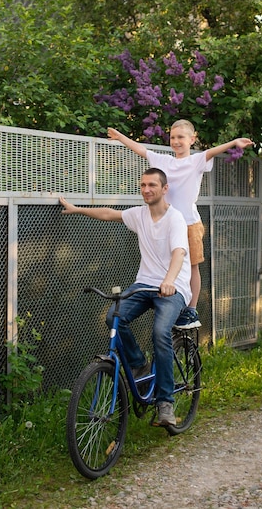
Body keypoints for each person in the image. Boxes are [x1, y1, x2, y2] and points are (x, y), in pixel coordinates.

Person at [59, 167, 191, 426]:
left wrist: (169, 280)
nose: (146, 190)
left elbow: (179, 253)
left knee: (160, 332)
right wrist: (78, 210)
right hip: (145, 284)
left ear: (164, 189)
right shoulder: (140, 215)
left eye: (152, 185)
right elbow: (110, 214)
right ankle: (139, 365)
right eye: (142, 185)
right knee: (113, 318)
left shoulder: (174, 219)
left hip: (173, 287)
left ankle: (165, 403)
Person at [108, 120, 254, 328]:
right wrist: (120, 137)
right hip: (167, 223)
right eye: (173, 137)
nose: (176, 141)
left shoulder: (195, 161)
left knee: (192, 266)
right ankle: (171, 304)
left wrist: (234, 142)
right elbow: (141, 150)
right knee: (170, 266)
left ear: (192, 139)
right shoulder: (163, 161)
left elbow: (211, 152)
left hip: (188, 224)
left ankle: (190, 310)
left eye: (181, 137)